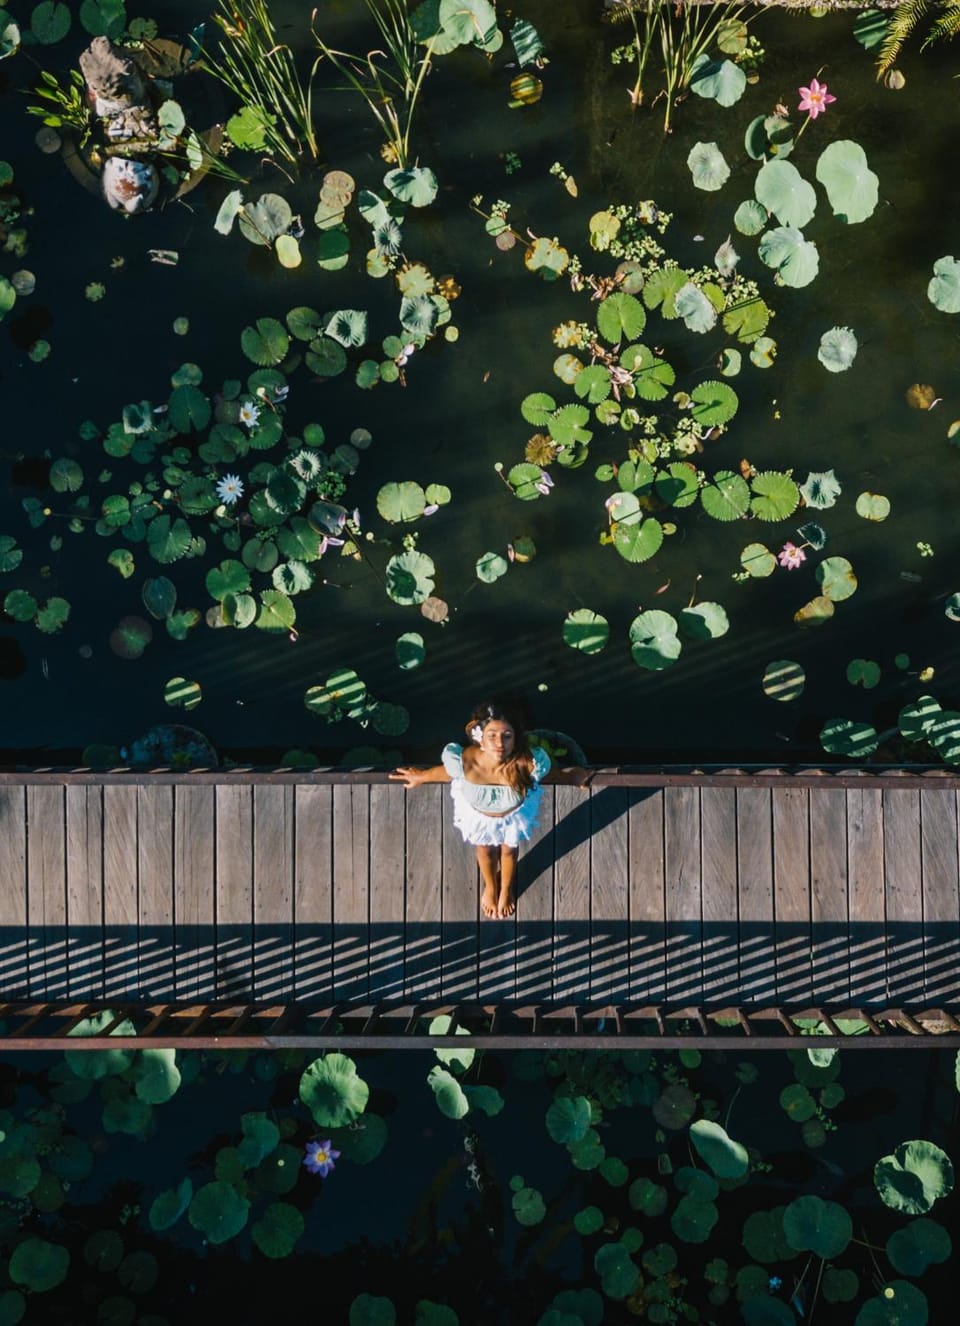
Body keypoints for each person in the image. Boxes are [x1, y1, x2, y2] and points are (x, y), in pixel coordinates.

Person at [390, 700, 555, 920]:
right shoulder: (464, 760)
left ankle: (506, 888)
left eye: (507, 736)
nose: (500, 743)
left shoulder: (528, 763)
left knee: (508, 851)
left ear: (515, 739)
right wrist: (421, 776)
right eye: (492, 735)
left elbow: (550, 774)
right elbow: (447, 773)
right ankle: (490, 886)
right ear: (481, 738)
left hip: (513, 816)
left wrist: (573, 776)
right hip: (479, 816)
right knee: (485, 851)